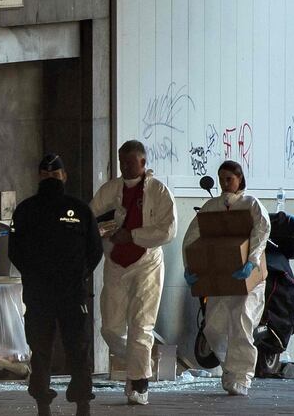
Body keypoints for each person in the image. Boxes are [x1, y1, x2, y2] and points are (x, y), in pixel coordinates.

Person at [8, 154, 103, 416]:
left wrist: (79, 275)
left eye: (55, 174)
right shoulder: (26, 210)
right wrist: (35, 275)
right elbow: (14, 251)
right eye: (46, 175)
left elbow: (94, 250)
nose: (51, 179)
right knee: (40, 349)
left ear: (64, 176)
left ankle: (82, 402)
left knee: (78, 347)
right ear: (39, 177)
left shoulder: (80, 209)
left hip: (72, 292)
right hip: (39, 293)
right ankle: (42, 403)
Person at [89, 140, 177, 405]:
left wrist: (134, 235)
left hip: (146, 264)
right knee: (111, 328)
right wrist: (101, 230)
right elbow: (90, 213)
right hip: (115, 263)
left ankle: (139, 383)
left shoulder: (159, 192)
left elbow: (168, 230)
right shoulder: (111, 189)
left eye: (130, 162)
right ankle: (139, 364)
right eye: (121, 161)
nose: (125, 166)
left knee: (141, 325)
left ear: (143, 162)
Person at [182, 160, 270, 396]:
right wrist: (189, 266)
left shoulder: (251, 204)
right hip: (221, 279)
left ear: (240, 178)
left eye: (229, 178)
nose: (224, 183)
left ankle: (242, 376)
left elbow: (261, 232)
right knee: (214, 328)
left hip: (248, 279)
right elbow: (192, 237)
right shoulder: (212, 207)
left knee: (241, 323)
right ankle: (230, 369)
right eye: (221, 179)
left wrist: (251, 261)